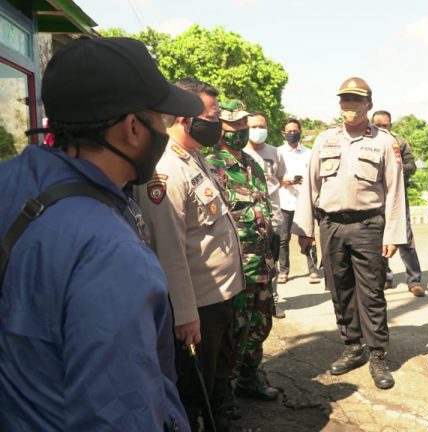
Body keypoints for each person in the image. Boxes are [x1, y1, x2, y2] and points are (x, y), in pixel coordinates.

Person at [0, 37, 200, 431]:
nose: (163, 132)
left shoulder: (11, 180)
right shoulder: (113, 253)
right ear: (132, 129)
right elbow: (120, 413)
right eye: (160, 120)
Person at [137, 78, 244, 432]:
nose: (218, 124)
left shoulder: (195, 157)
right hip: (198, 307)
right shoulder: (165, 170)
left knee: (216, 381)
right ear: (185, 117)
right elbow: (168, 251)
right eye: (212, 117)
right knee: (193, 393)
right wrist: (184, 316)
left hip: (219, 296)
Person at [293, 77, 406, 390]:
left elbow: (395, 190)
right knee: (339, 289)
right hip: (331, 225)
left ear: (369, 104)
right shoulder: (325, 139)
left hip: (369, 226)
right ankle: (353, 347)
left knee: (371, 293)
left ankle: (378, 354)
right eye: (345, 100)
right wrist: (305, 229)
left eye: (356, 100)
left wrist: (393, 234)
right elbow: (310, 184)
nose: (350, 106)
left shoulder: (384, 142)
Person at [206, 100, 280, 410]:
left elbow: (264, 207)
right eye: (234, 125)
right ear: (220, 128)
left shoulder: (252, 164)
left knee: (260, 324)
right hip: (235, 266)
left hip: (260, 263)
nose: (240, 130)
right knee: (233, 330)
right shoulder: (211, 166)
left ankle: (250, 378)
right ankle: (223, 391)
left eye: (243, 125)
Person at [371, 110, 425, 297]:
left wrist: (393, 169)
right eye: (377, 125)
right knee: (378, 238)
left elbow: (412, 166)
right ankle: (385, 277)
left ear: (391, 125)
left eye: (385, 125)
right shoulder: (366, 143)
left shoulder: (399, 143)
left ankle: (414, 280)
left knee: (405, 238)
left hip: (398, 196)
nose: (381, 128)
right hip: (374, 198)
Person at [244, 112, 286, 318]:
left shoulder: (275, 153)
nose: (258, 130)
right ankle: (249, 303)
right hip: (248, 219)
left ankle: (273, 300)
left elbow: (280, 178)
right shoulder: (240, 153)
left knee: (272, 260)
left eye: (262, 126)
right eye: (254, 127)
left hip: (273, 217)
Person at [276, 118, 321, 285]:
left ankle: (313, 270)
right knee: (283, 239)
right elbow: (272, 176)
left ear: (300, 132)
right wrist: (282, 180)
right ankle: (283, 271)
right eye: (289, 131)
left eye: (295, 131)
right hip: (284, 200)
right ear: (283, 133)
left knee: (308, 236)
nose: (292, 134)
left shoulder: (309, 153)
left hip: (304, 201)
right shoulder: (277, 152)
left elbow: (315, 175)